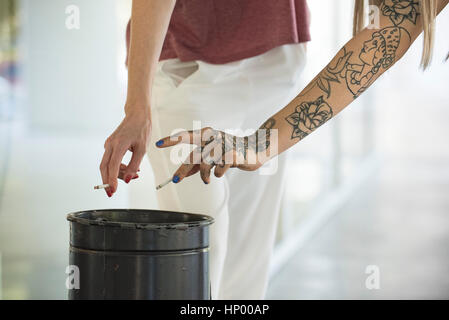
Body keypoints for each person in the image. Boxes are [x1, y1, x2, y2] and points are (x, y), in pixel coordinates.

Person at [100, 0, 448, 299]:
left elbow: (392, 25)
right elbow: (391, 26)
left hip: (274, 62)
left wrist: (260, 143)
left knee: (246, 269)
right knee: (204, 255)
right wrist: (137, 106)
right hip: (188, 64)